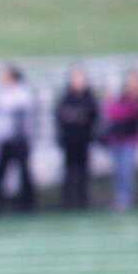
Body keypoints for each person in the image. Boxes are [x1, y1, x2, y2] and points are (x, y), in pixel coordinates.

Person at [0, 64, 36, 214]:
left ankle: (27, 204)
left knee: (24, 172)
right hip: (5, 139)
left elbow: (21, 117)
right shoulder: (1, 93)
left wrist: (19, 135)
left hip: (19, 140)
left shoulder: (22, 93)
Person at [104, 68, 138, 212]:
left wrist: (112, 104)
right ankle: (120, 200)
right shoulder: (123, 97)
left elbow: (124, 113)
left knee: (126, 172)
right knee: (118, 172)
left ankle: (125, 201)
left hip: (129, 141)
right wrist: (110, 102)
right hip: (116, 140)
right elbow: (111, 112)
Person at [55, 66, 99, 210]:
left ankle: (83, 200)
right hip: (69, 140)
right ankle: (68, 201)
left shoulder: (89, 98)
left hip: (84, 140)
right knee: (69, 171)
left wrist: (76, 116)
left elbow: (92, 116)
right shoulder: (66, 97)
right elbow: (61, 115)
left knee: (83, 171)